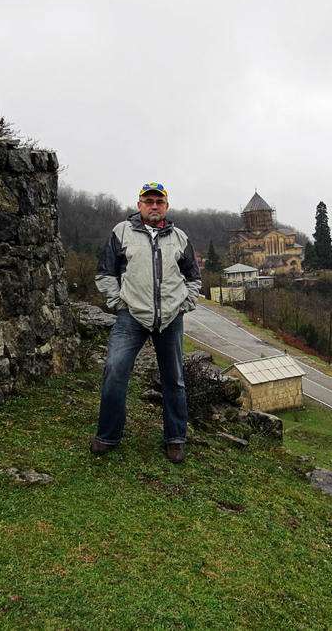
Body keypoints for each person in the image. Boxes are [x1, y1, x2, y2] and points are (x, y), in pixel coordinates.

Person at [91, 182, 202, 463]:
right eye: (148, 201)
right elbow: (105, 273)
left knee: (174, 380)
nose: (154, 205)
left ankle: (175, 438)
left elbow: (193, 278)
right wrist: (118, 303)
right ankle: (108, 435)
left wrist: (184, 305)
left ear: (166, 206)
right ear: (139, 205)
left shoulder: (179, 237)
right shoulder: (122, 232)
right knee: (115, 371)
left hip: (170, 319)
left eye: (159, 201)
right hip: (132, 316)